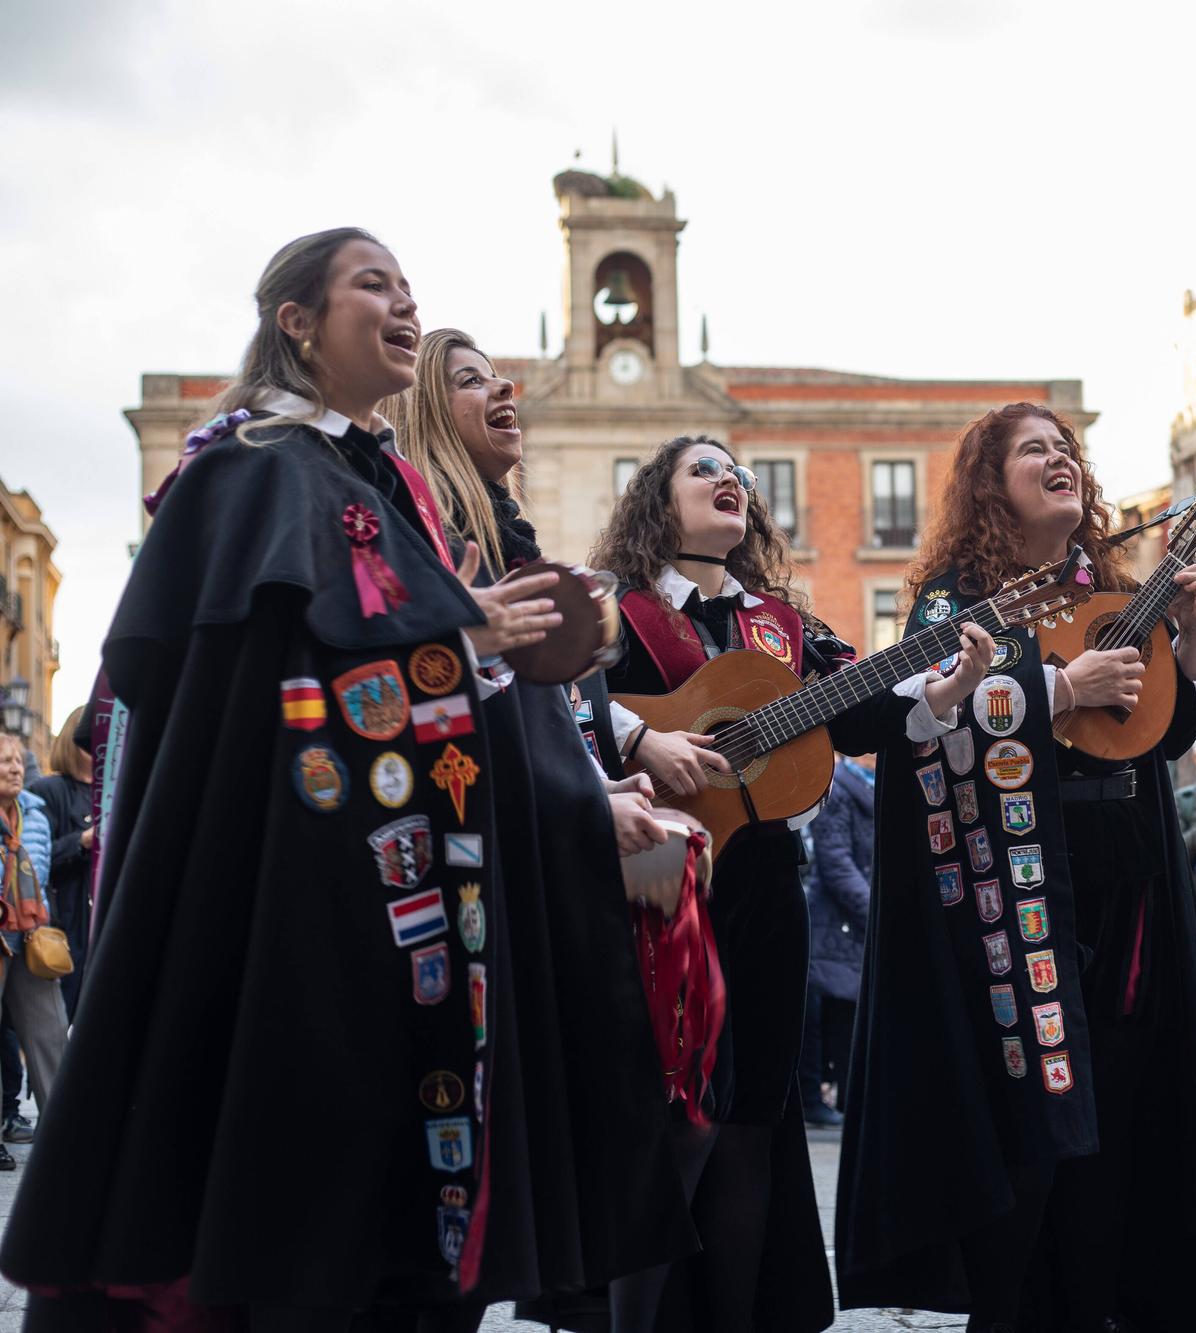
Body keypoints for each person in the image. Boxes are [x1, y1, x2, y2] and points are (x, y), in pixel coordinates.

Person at [0, 229, 676, 1332]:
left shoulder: (383, 480)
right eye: (375, 284)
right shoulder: (249, 467)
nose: (405, 303)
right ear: (297, 321)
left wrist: (535, 717)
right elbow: (243, 679)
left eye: (411, 287)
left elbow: (420, 661)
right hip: (294, 906)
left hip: (402, 906)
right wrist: (461, 633)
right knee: (304, 1230)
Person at [836, 402, 1196, 1332]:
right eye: (1036, 450)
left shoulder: (1108, 588)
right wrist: (1060, 689)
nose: (1060, 459)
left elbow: (1163, 729)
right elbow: (928, 724)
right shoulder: (955, 600)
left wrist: (1188, 640)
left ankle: (1107, 1305)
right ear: (993, 481)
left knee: (1129, 1103)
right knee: (1038, 1110)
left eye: (1068, 449)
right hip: (1018, 890)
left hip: (1134, 879)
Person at [387, 327, 700, 1309]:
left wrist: (604, 773)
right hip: (458, 897)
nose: (504, 389)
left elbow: (536, 713)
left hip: (523, 877)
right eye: (472, 379)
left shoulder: (504, 539)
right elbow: (457, 710)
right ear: (429, 411)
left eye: (501, 374)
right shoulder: (423, 534)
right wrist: (585, 793)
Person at [591, 433, 850, 1333]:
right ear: (656, 500)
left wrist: (953, 677)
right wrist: (635, 735)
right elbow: (556, 697)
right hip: (657, 879)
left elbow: (860, 715)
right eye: (703, 469)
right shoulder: (614, 611)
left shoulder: (779, 623)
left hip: (766, 887)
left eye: (736, 471)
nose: (729, 479)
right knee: (671, 1121)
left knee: (750, 1123)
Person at [0, 733, 65, 1154]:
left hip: (29, 935)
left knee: (51, 1031)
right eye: (4, 761)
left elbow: (41, 873)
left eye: (20, 761)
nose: (15, 768)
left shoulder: (35, 815)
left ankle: (66, 1132)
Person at [804, 752, 873, 1116]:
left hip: (857, 918)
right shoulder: (840, 788)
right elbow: (836, 863)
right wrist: (875, 909)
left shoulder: (873, 788)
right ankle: (826, 1098)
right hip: (840, 921)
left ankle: (851, 1098)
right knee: (839, 1016)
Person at [29, 706, 95, 1026]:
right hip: (61, 928)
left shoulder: (112, 792)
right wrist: (81, 841)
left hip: (98, 923)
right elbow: (34, 858)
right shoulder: (49, 792)